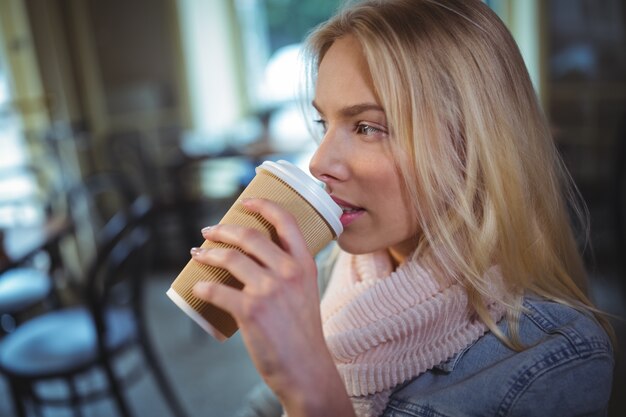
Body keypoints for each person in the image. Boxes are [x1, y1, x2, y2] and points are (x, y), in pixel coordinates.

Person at [189, 0, 615, 416]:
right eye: (325, 123)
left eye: (368, 127)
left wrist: (312, 392)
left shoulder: (555, 359)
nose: (319, 162)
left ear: (470, 143)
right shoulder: (330, 277)